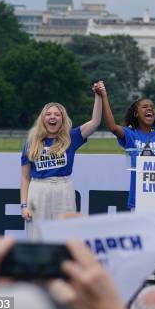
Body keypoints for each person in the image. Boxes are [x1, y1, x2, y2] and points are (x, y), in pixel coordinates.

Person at [20, 88, 102, 239]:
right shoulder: (31, 142)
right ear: (42, 119)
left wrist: (98, 96)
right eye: (48, 114)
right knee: (37, 236)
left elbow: (95, 122)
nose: (53, 117)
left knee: (66, 234)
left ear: (62, 119)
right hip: (38, 188)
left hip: (64, 188)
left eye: (57, 114)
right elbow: (25, 178)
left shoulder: (72, 137)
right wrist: (24, 206)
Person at [96, 81, 155, 210]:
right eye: (144, 107)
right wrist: (104, 97)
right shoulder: (131, 134)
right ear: (136, 113)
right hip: (139, 201)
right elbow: (112, 127)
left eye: (152, 107)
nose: (149, 109)